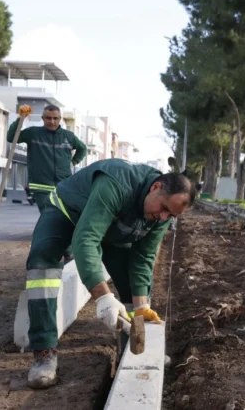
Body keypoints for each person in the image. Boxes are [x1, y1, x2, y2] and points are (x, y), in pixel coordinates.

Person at [25, 158, 195, 389]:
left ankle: (134, 346)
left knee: (131, 281)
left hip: (110, 226)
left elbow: (143, 257)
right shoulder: (116, 183)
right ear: (156, 187)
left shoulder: (161, 216)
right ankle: (44, 350)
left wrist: (141, 306)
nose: (164, 217)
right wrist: (103, 297)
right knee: (42, 263)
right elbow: (86, 240)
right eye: (164, 209)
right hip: (68, 212)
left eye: (171, 216)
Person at [8, 105, 87, 261]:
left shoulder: (68, 136)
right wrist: (20, 118)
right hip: (41, 187)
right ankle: (61, 252)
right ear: (43, 118)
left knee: (66, 218)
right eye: (48, 118)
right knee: (51, 217)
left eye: (55, 118)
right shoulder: (33, 134)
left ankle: (66, 251)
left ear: (60, 119)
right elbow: (12, 137)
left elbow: (82, 149)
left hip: (63, 187)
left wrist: (73, 162)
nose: (52, 121)